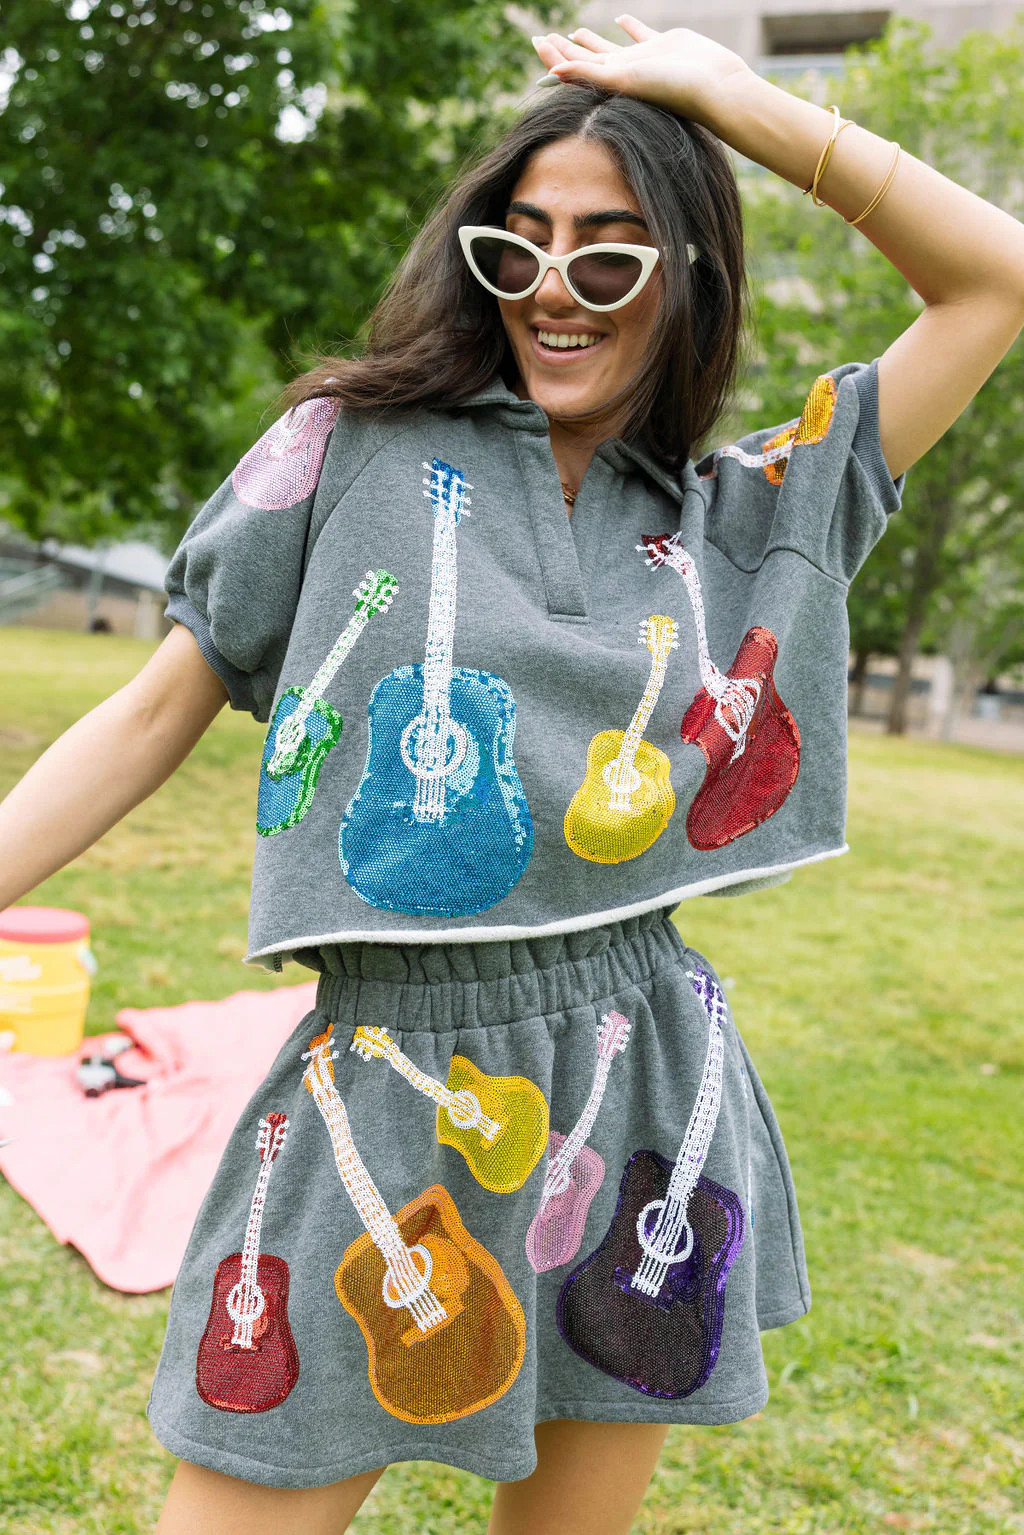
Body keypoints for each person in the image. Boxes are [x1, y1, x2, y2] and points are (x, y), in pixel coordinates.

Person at [2, 16, 1022, 1534]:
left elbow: (992, 278)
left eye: (610, 254)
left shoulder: (751, 511)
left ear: (685, 278)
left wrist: (731, 100)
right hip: (378, 1087)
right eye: (518, 245)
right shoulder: (339, 446)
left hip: (645, 1082)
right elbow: (156, 714)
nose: (555, 286)